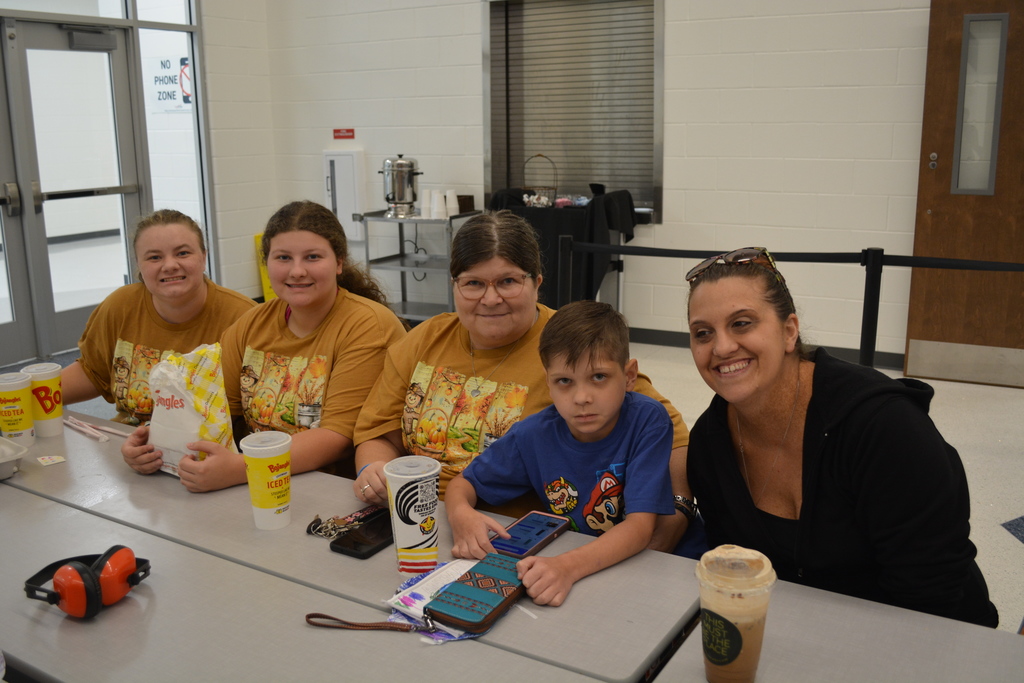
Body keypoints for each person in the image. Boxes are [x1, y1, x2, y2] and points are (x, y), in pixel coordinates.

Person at [684, 246, 999, 627]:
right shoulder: (710, 443)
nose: (721, 347)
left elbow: (932, 596)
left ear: (789, 332)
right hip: (804, 636)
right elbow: (737, 576)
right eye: (703, 333)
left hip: (927, 636)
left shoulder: (882, 428)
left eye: (742, 323)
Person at [353, 210, 697, 553]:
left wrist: (675, 516)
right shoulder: (425, 338)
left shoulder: (571, 347)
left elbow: (669, 433)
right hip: (418, 519)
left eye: (508, 281)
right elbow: (376, 431)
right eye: (473, 283)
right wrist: (375, 471)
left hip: (515, 538)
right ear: (454, 285)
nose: (490, 299)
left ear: (537, 283)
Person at [121, 200, 407, 492]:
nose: (297, 271)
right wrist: (156, 443)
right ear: (266, 263)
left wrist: (243, 467)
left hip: (331, 489)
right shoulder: (251, 324)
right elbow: (212, 408)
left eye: (312, 257)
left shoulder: (368, 325)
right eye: (283, 258)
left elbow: (336, 437)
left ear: (339, 263)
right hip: (255, 483)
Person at [445, 300, 674, 606]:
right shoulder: (532, 435)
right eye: (564, 381)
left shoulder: (649, 420)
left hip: (653, 569)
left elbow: (640, 528)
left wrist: (566, 567)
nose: (581, 398)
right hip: (580, 572)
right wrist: (461, 514)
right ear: (548, 383)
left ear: (629, 375)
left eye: (599, 377)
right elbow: (463, 485)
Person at [61, 209, 257, 424]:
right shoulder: (120, 306)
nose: (170, 265)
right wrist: (25, 394)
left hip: (209, 451)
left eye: (182, 253)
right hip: (128, 444)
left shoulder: (244, 318)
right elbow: (93, 374)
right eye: (155, 257)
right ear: (139, 264)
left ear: (204, 257)